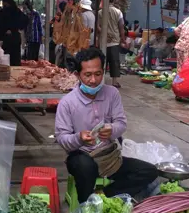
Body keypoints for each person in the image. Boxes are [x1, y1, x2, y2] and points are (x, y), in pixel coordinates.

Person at [55, 47, 158, 203]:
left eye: (98, 74)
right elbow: (62, 138)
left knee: (149, 171)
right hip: (81, 156)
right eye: (87, 75)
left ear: (103, 72)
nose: (93, 80)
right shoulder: (67, 103)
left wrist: (112, 130)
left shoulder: (112, 93)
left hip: (109, 156)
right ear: (78, 75)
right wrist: (79, 138)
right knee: (85, 167)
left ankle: (104, 195)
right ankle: (86, 209)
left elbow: (121, 123)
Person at [98, 0, 127, 88]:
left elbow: (97, 26)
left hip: (103, 40)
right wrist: (123, 38)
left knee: (102, 61)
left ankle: (100, 81)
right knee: (114, 61)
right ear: (113, 0)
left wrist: (104, 33)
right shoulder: (118, 12)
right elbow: (121, 27)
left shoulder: (100, 12)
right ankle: (114, 82)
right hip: (114, 40)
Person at [0, 0, 27, 66]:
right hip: (15, 37)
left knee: (5, 60)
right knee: (15, 59)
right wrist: (16, 28)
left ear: (5, 2)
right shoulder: (17, 11)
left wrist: (7, 29)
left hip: (6, 38)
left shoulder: (3, 12)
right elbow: (25, 20)